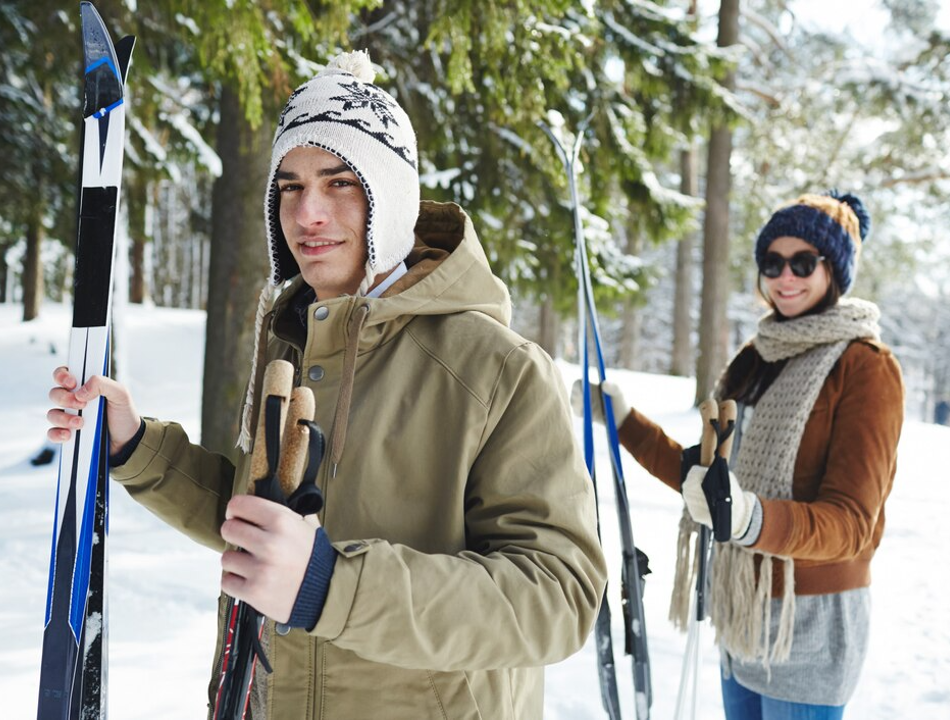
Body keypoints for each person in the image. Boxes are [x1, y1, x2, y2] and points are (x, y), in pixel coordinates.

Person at [47, 51, 606, 720]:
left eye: (339, 181)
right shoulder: (292, 342)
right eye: (288, 185)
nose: (307, 212)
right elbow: (258, 520)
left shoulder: (496, 368)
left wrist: (329, 586)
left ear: (390, 198)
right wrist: (135, 445)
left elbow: (558, 597)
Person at [579, 191, 903, 719]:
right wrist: (625, 423)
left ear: (835, 271)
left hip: (812, 625)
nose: (785, 277)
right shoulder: (755, 360)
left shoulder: (865, 366)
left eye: (803, 262)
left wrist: (750, 517)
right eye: (772, 262)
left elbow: (851, 525)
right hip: (742, 611)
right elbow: (708, 484)